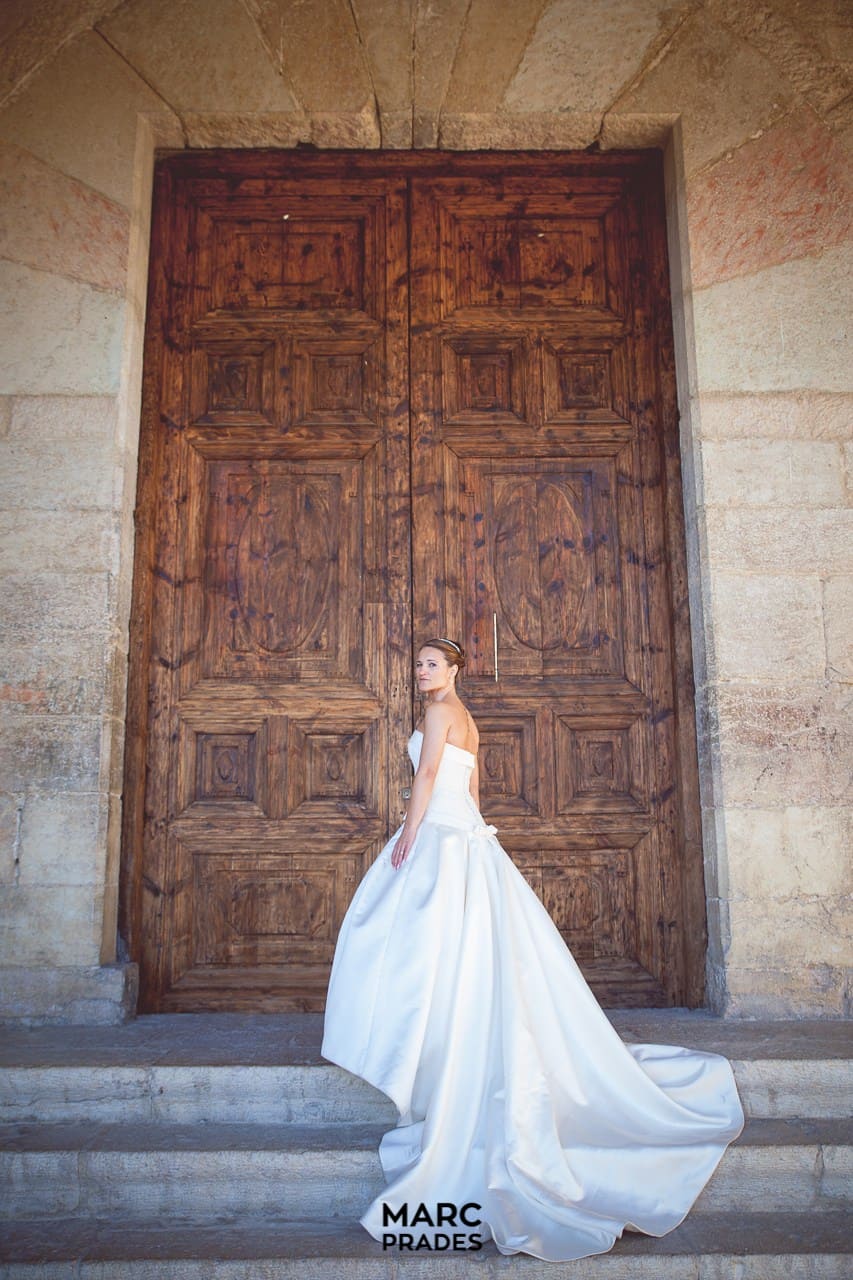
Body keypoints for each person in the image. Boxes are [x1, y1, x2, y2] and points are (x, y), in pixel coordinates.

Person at [321, 637, 744, 1262]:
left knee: (407, 942)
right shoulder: (464, 717)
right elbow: (470, 793)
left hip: (442, 838)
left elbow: (431, 778)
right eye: (418, 664)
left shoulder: (439, 714)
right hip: (467, 840)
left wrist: (405, 839)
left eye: (432, 664)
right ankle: (437, 1047)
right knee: (463, 954)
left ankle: (427, 1049)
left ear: (455, 670)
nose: (421, 672)